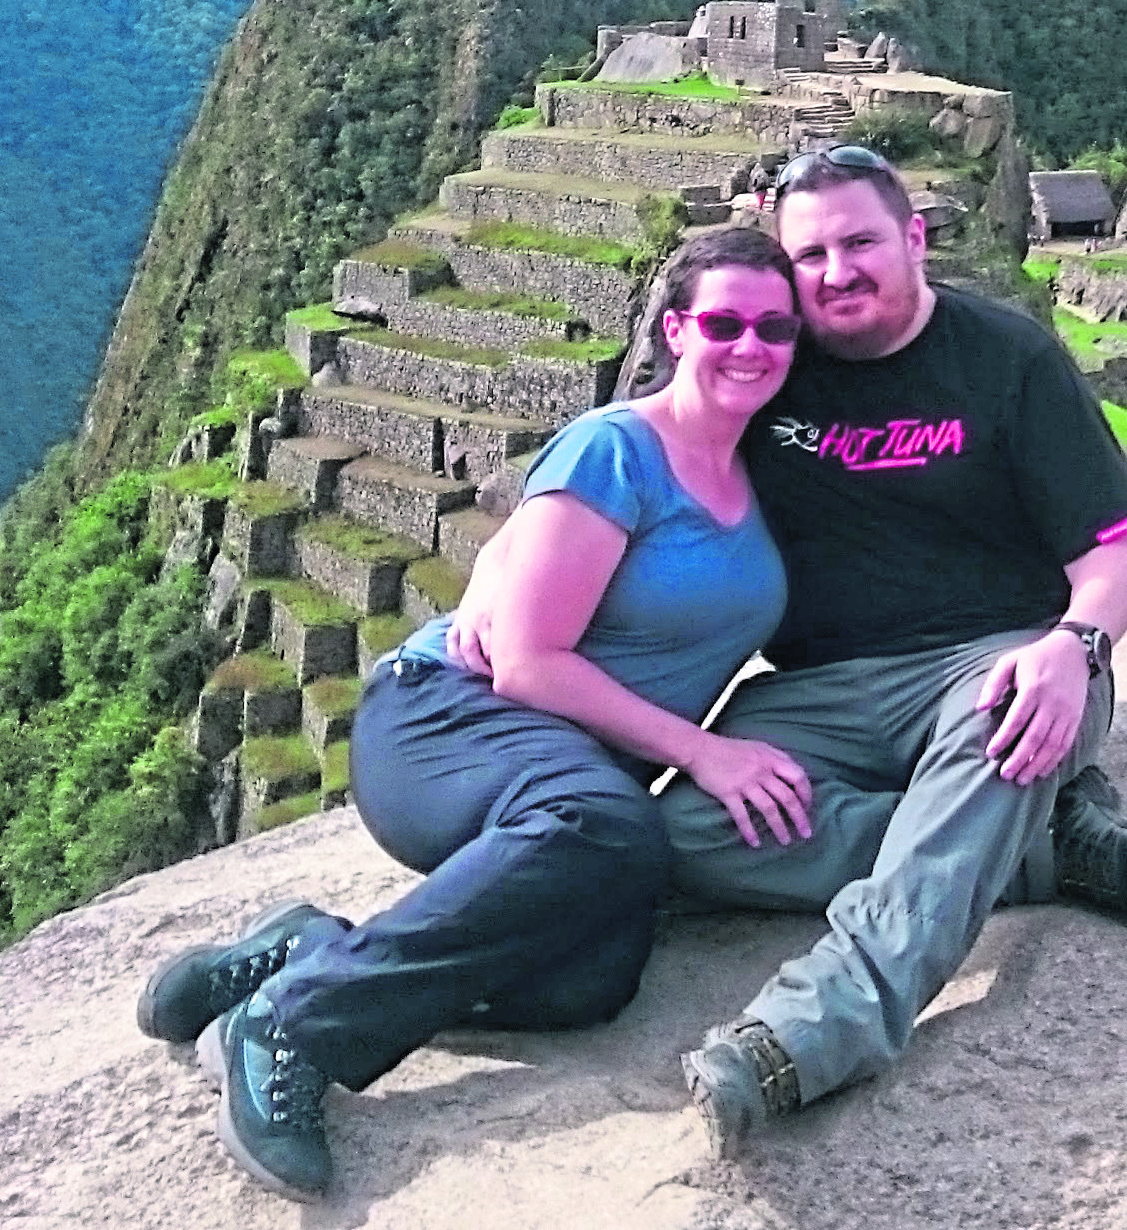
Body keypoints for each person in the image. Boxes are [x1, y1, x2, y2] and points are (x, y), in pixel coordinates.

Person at [459, 142, 1127, 1156]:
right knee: (690, 831)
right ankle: (1047, 852)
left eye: (861, 243)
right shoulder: (765, 364)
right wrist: (505, 560)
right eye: (812, 255)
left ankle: (819, 1027)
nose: (837, 272)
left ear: (915, 238)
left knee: (999, 720)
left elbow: (1115, 559)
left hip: (999, 663)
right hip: (823, 693)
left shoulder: (1006, 360)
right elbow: (626, 451)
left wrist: (1072, 645)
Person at [134, 225, 813, 1198]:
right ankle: (291, 1024)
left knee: (592, 984)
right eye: (726, 322)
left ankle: (313, 946)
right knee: (611, 825)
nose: (751, 345)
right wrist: (703, 754)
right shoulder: (616, 450)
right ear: (675, 328)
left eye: (776, 328)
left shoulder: (764, 480)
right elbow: (528, 663)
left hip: (570, 787)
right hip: (444, 722)